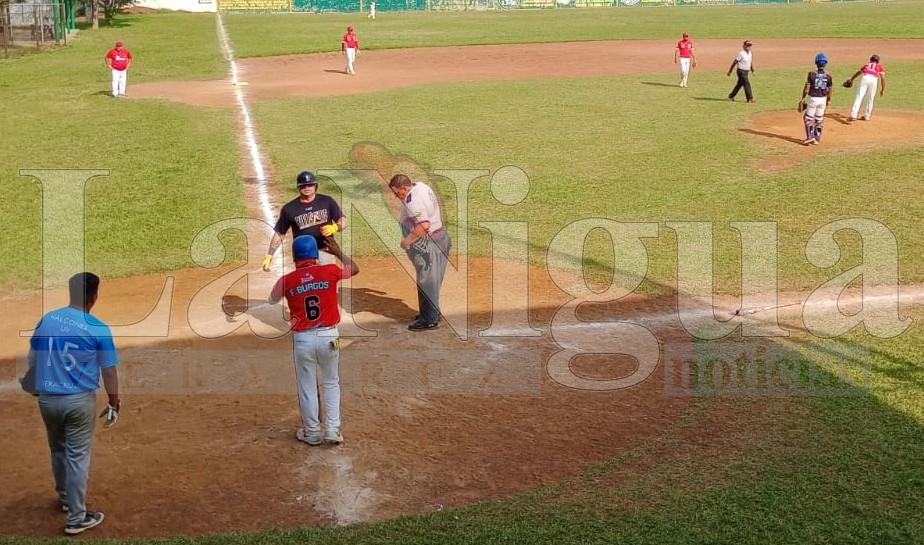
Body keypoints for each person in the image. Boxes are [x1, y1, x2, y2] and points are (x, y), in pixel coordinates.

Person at [24, 272, 120, 535]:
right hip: (78, 402)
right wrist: (115, 401)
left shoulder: (48, 319)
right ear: (94, 295)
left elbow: (33, 356)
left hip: (47, 400)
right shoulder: (97, 327)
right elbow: (109, 371)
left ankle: (65, 499)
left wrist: (35, 384)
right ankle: (77, 518)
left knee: (57, 449)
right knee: (78, 456)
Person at [270, 235, 359, 446]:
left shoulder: (287, 281)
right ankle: (332, 429)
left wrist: (296, 290)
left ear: (295, 257)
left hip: (303, 341)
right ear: (315, 255)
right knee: (331, 382)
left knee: (307, 385)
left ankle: (311, 432)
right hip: (329, 337)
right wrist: (337, 251)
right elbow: (354, 268)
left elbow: (272, 299)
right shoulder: (329, 271)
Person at [388, 174, 451, 332]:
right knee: (431, 278)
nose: (397, 196)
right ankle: (431, 312)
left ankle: (429, 319)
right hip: (440, 238)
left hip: (428, 244)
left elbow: (423, 225)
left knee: (427, 281)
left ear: (404, 188)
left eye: (397, 193)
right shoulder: (421, 186)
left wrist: (406, 241)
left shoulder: (413, 202)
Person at [262, 171, 347, 272]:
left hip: (326, 251)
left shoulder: (327, 201)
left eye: (310, 185)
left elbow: (343, 220)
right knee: (306, 284)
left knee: (327, 282)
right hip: (303, 255)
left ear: (316, 186)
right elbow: (280, 232)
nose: (307, 188)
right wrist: (270, 254)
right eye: (303, 186)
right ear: (298, 188)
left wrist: (336, 227)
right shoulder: (289, 208)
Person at [798, 53, 833, 146]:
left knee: (808, 118)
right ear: (825, 64)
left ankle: (810, 137)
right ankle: (817, 139)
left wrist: (802, 98)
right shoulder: (829, 76)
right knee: (819, 119)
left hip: (813, 98)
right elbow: (829, 90)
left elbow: (807, 88)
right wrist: (828, 100)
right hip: (823, 99)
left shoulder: (811, 74)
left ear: (816, 63)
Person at [846, 54, 886, 122]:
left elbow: (858, 72)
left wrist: (852, 79)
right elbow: (883, 78)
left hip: (865, 78)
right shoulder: (879, 67)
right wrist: (882, 89)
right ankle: (867, 116)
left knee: (859, 96)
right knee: (870, 98)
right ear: (878, 61)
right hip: (874, 80)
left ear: (870, 60)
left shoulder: (867, 65)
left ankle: (853, 115)